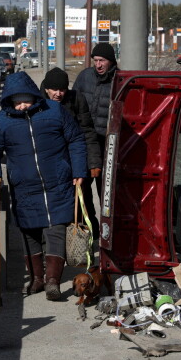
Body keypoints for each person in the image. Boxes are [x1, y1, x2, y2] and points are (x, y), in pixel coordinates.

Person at [0, 72, 88, 301]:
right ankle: (37, 278)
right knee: (29, 232)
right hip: (25, 187)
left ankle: (52, 281)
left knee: (56, 229)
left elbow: (76, 139)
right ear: (9, 101)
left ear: (33, 96)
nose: (21, 106)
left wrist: (79, 170)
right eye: (16, 101)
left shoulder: (54, 111)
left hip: (58, 182)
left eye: (25, 100)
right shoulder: (3, 120)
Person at [39, 67, 102, 238]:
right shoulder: (37, 102)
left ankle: (85, 241)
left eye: (63, 89)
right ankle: (53, 244)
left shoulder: (76, 99)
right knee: (54, 206)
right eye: (54, 90)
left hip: (76, 162)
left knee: (83, 203)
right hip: (51, 164)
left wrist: (94, 162)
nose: (59, 94)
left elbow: (88, 131)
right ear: (46, 88)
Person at [72, 42, 118, 235]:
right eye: (96, 60)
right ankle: (90, 227)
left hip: (107, 144)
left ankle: (109, 231)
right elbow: (72, 101)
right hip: (84, 141)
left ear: (111, 61)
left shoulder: (119, 80)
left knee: (105, 191)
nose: (98, 65)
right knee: (82, 188)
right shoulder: (85, 77)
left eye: (102, 61)